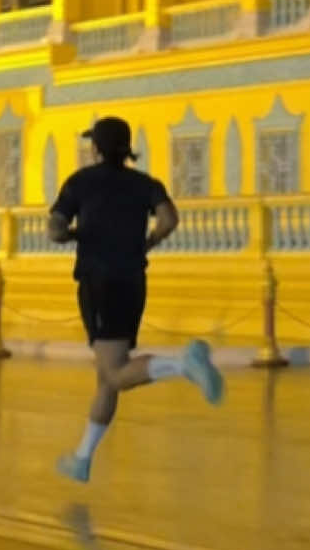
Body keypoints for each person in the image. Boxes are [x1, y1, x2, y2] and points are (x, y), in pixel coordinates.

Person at [48, 115, 224, 484]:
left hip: (99, 282)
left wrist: (67, 233)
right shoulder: (144, 184)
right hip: (132, 281)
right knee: (106, 377)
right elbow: (169, 218)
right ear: (127, 149)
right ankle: (81, 459)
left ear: (95, 147)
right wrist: (149, 242)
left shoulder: (80, 182)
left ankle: (183, 365)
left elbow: (55, 227)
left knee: (114, 371)